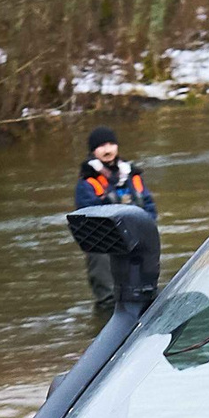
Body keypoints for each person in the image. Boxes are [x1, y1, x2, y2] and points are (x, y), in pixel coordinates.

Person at [73, 126, 153, 316]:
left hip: (135, 241)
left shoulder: (132, 175)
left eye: (111, 144)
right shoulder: (87, 181)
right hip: (103, 245)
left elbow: (149, 205)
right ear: (93, 151)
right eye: (101, 146)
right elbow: (86, 216)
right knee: (109, 302)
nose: (107, 150)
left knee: (146, 295)